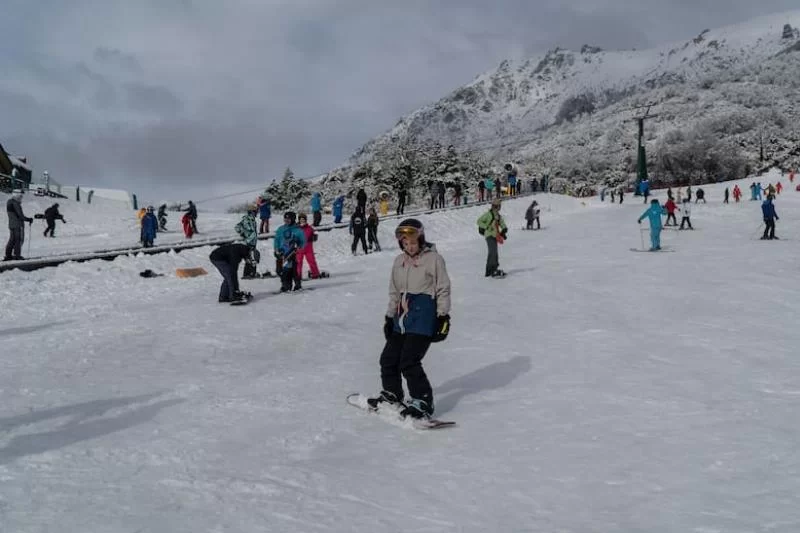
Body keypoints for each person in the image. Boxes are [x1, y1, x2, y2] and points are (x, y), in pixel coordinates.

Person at [366, 218, 451, 420]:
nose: (410, 247)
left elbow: (443, 288)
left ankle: (422, 401)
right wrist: (389, 317)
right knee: (388, 360)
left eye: (413, 242)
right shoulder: (399, 261)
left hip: (423, 319)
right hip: (401, 319)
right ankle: (392, 394)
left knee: (409, 362)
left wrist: (443, 317)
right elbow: (394, 292)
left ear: (421, 240)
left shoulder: (434, 260)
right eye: (406, 243)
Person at [273, 211, 306, 292]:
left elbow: (303, 241)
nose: (286, 220)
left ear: (293, 219)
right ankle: (285, 284)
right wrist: (276, 249)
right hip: (282, 253)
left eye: (289, 219)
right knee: (281, 270)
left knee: (293, 270)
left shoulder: (297, 230)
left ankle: (297, 284)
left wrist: (299, 246)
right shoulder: (281, 229)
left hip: (293, 253)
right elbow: (276, 240)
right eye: (285, 219)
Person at [476, 199, 508, 277]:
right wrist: (487, 227)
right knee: (492, 252)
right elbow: (479, 221)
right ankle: (491, 270)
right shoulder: (489, 214)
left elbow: (502, 223)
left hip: (495, 235)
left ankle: (493, 269)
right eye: (498, 206)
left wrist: (504, 230)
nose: (499, 208)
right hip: (489, 235)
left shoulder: (498, 215)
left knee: (494, 252)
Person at [5, 189, 33, 261]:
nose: (21, 197)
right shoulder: (16, 203)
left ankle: (8, 255)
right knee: (18, 240)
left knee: (12, 240)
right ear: (16, 195)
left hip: (11, 224)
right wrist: (28, 219)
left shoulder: (9, 202)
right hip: (18, 225)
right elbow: (20, 216)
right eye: (20, 196)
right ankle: (17, 255)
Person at [296, 213, 325, 279]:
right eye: (301, 219)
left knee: (311, 261)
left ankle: (315, 274)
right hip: (299, 248)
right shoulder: (296, 228)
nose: (302, 221)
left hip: (309, 248)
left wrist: (314, 237)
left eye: (304, 219)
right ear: (299, 220)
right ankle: (298, 275)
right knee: (298, 262)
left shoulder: (309, 228)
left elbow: (314, 235)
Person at [235, 205, 259, 278]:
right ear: (251, 212)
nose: (256, 213)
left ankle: (248, 273)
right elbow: (237, 227)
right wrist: (245, 235)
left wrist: (244, 233)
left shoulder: (251, 219)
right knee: (252, 258)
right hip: (249, 242)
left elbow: (238, 227)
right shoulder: (247, 220)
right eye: (255, 211)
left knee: (250, 257)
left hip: (252, 242)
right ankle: (251, 273)